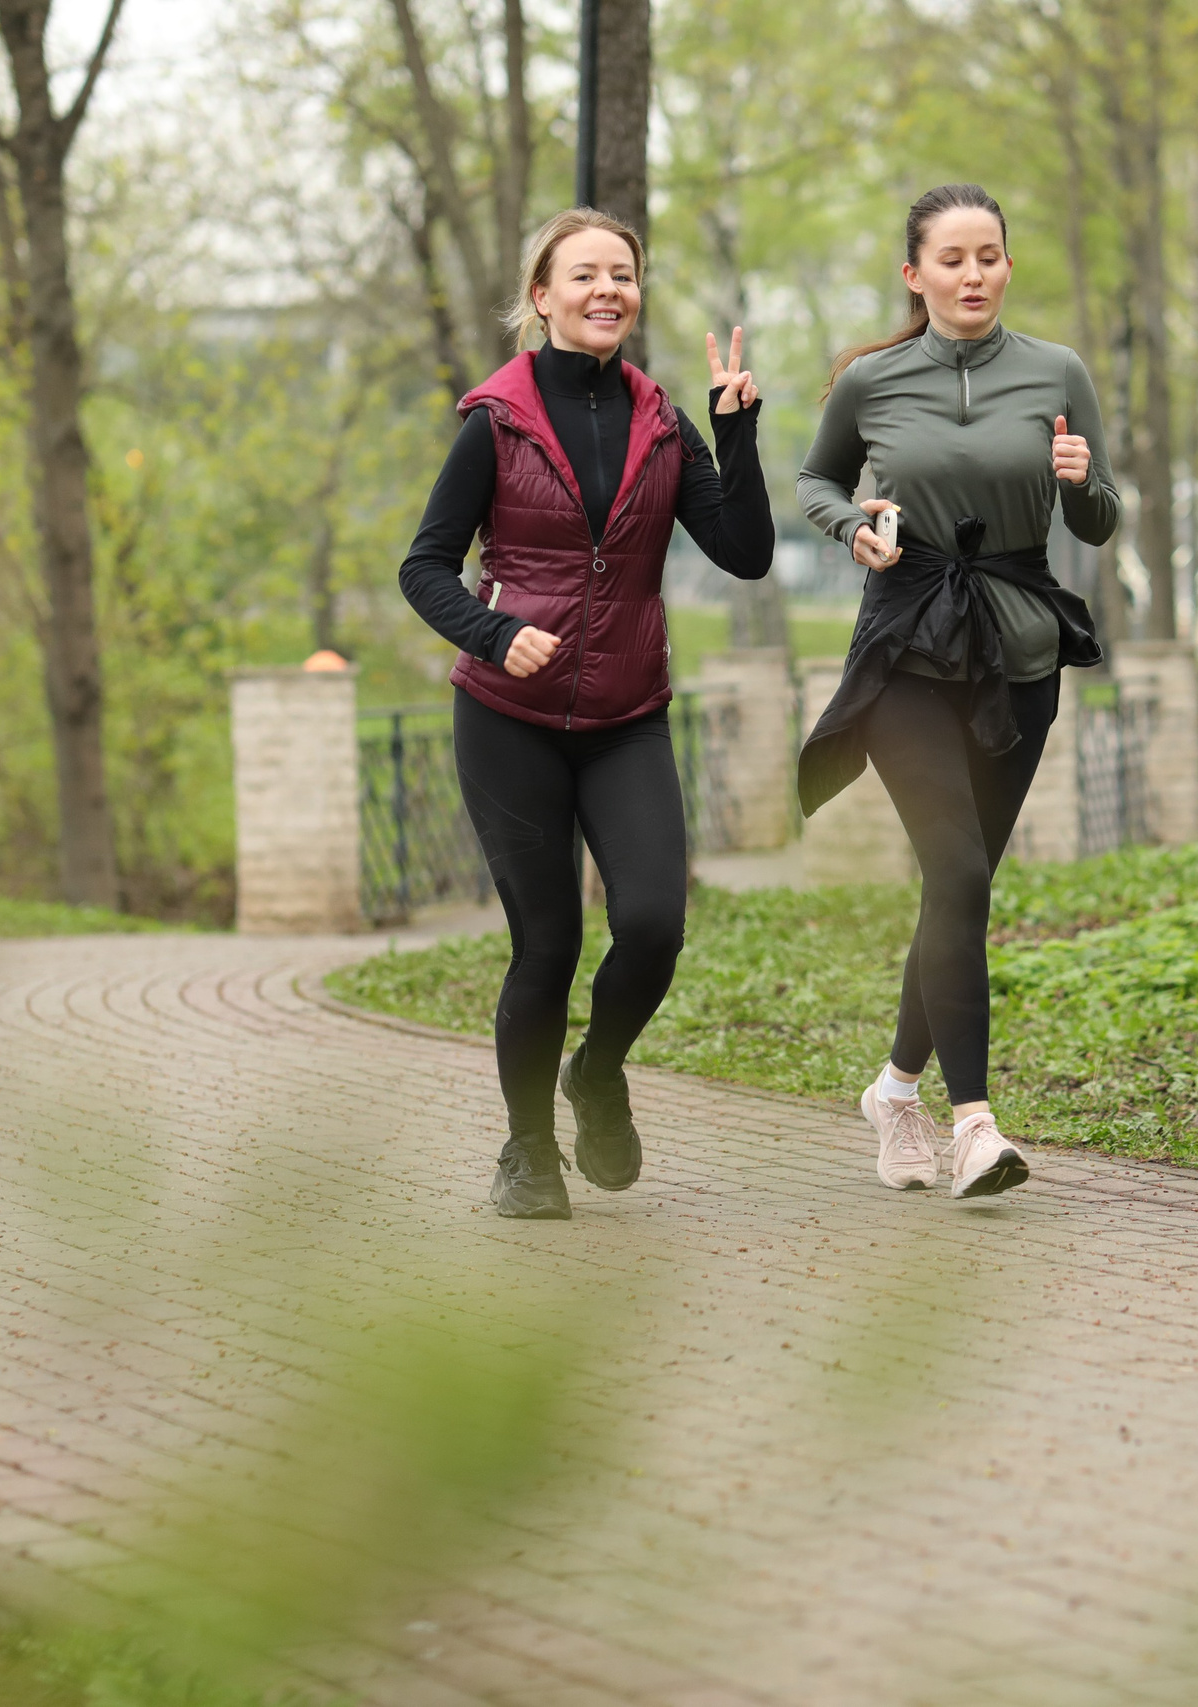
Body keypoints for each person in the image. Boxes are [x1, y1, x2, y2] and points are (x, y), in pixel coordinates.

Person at [398, 207, 774, 1220]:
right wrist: (489, 634)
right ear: (542, 297)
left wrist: (734, 435)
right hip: (508, 717)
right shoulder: (497, 421)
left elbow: (743, 551)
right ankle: (526, 1152)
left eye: (623, 274)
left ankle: (597, 1072)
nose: (607, 290)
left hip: (625, 713)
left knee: (652, 924)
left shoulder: (662, 421)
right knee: (549, 944)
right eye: (584, 275)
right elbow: (424, 566)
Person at [795, 183, 1121, 1201]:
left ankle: (896, 1091)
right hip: (908, 645)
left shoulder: (1056, 370)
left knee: (959, 885)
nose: (972, 274)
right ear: (914, 274)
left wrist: (1076, 482)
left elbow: (1101, 520)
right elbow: (813, 483)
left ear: (1007, 266)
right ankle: (974, 1124)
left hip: (1017, 648)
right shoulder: (873, 380)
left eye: (989, 256)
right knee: (958, 869)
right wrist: (851, 527)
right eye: (952, 259)